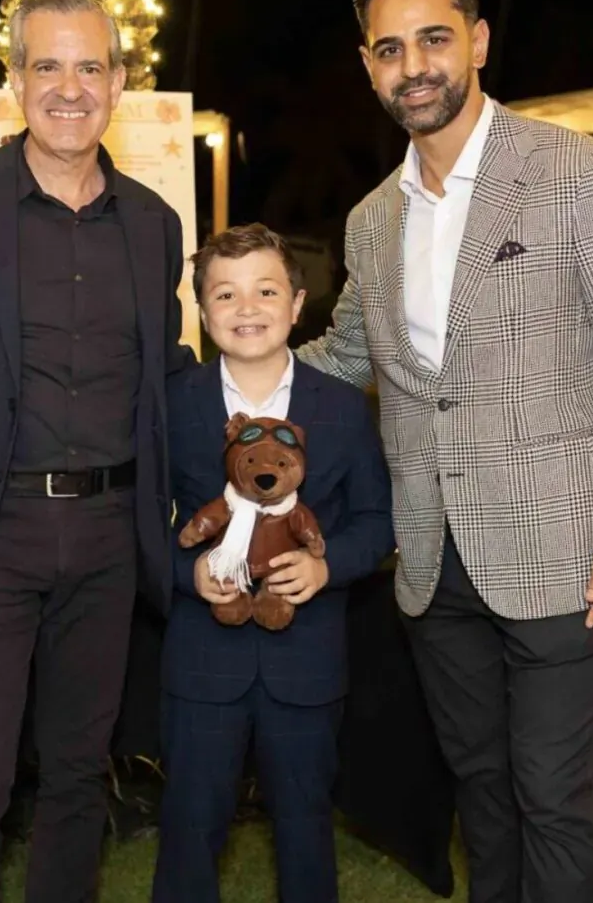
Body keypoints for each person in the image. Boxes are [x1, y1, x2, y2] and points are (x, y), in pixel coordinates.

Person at [296, 0, 593, 902]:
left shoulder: (582, 174)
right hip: (433, 561)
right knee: (483, 792)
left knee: (554, 794)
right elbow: (348, 359)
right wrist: (220, 377)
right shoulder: (371, 221)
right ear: (367, 65)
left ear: (476, 40)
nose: (413, 66)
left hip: (568, 551)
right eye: (389, 49)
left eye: (433, 39)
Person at [0, 0, 193, 903]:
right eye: (49, 65)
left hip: (111, 539)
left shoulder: (154, 224)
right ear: (17, 79)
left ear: (120, 84)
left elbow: (168, 375)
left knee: (77, 777)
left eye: (91, 66)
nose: (71, 87)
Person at [150, 223, 393, 903]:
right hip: (202, 662)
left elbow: (378, 520)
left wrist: (326, 567)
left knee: (305, 824)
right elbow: (138, 522)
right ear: (202, 310)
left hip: (307, 665)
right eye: (224, 295)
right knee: (190, 823)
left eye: (265, 291)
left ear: (297, 303)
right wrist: (184, 572)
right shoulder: (172, 406)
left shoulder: (344, 409)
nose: (246, 309)